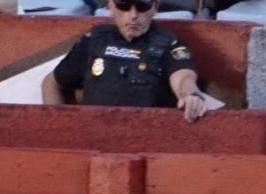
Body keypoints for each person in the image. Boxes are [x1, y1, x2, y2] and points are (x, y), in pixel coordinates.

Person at [41, 0, 207, 122]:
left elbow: (183, 77)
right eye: (124, 6)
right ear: (111, 7)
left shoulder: (168, 43)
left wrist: (190, 95)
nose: (133, 15)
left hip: (146, 139)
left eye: (142, 7)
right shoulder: (94, 40)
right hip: (93, 137)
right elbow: (52, 83)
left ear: (154, 7)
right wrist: (59, 127)